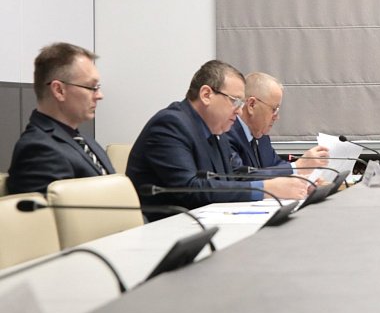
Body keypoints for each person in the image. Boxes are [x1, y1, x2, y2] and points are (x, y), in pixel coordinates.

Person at [126, 60, 311, 216]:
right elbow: (190, 189)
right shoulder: (170, 125)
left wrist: (293, 184)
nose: (239, 110)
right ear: (206, 95)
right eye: (234, 101)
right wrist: (266, 189)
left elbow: (234, 176)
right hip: (164, 229)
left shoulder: (217, 131)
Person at [7, 42, 115, 194]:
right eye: (91, 87)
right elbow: (54, 209)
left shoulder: (84, 140)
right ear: (59, 90)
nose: (99, 95)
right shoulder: (39, 150)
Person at [226, 72, 329, 175]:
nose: (277, 117)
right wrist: (298, 166)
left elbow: (275, 165)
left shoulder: (261, 136)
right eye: (274, 109)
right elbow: (242, 177)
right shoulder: (228, 134)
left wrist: (306, 177)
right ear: (252, 105)